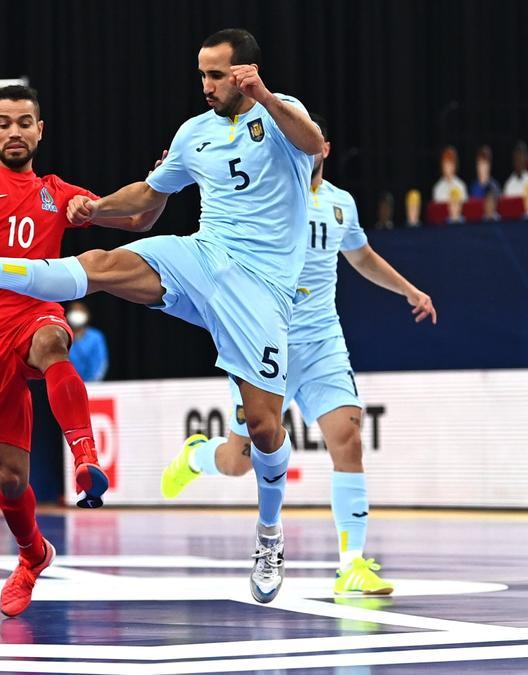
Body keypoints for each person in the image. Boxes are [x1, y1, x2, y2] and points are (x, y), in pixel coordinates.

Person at [0, 29, 322, 603]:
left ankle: (268, 534)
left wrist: (265, 97)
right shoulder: (193, 134)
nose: (205, 86)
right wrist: (100, 207)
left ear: (245, 73)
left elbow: (314, 145)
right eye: (201, 75)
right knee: (102, 264)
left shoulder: (281, 116)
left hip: (261, 291)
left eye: (216, 75)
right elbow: (143, 205)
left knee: (263, 427)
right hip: (203, 257)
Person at [158, 114, 437, 596]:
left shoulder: (339, 204)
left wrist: (409, 290)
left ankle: (351, 564)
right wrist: (173, 176)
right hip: (260, 335)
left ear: (321, 147)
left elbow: (362, 256)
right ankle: (200, 456)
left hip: (320, 338)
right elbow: (218, 190)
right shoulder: (263, 194)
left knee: (347, 436)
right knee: (239, 460)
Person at [0, 84, 165, 617]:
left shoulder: (56, 191)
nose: (14, 131)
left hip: (34, 312)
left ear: (39, 130)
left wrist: (158, 184)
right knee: (10, 479)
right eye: (3, 123)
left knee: (53, 341)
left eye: (24, 122)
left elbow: (138, 219)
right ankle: (32, 556)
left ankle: (86, 459)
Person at [66, 301, 109, 382]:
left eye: (80, 310)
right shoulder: (63, 336)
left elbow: (101, 362)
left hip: (92, 385)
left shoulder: (96, 336)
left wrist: (93, 382)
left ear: (87, 314)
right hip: (69, 383)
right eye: (74, 310)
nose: (76, 313)